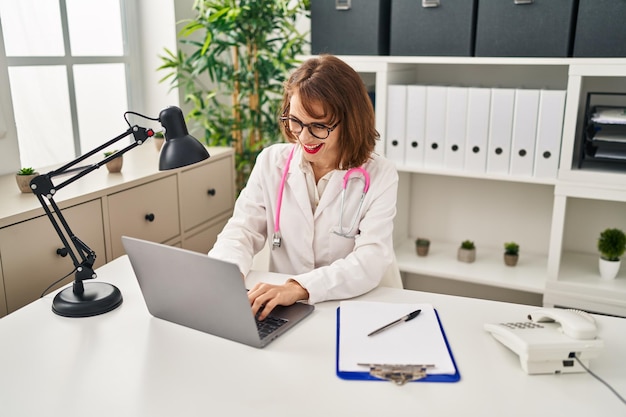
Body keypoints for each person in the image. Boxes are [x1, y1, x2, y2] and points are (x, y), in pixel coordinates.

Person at [208, 54, 398, 320]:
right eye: (295, 121)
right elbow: (242, 230)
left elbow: (371, 259)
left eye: (319, 126)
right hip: (284, 311)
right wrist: (226, 274)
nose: (304, 137)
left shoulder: (379, 174)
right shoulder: (271, 161)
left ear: (351, 122)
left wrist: (299, 287)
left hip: (351, 308)